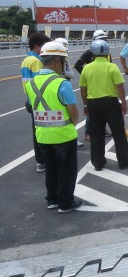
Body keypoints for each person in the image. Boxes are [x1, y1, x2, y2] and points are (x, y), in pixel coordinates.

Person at [24, 41, 83, 213]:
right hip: (63, 135)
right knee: (66, 171)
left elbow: (31, 107)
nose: (65, 64)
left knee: (50, 169)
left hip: (42, 135)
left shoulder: (31, 84)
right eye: (64, 61)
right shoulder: (62, 84)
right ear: (57, 61)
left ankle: (52, 200)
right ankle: (65, 203)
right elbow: (73, 112)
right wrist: (70, 125)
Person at [80, 40, 128, 171]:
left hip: (93, 104)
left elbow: (83, 88)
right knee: (118, 133)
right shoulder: (112, 67)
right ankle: (124, 160)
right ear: (107, 52)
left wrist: (86, 105)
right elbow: (119, 86)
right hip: (110, 103)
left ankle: (98, 163)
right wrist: (123, 102)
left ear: (93, 53)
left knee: (96, 134)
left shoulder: (87, 68)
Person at [74, 30, 113, 141]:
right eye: (102, 39)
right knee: (91, 110)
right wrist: (87, 76)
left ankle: (102, 129)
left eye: (105, 39)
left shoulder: (107, 53)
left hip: (105, 85)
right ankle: (88, 132)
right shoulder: (89, 52)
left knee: (104, 109)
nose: (105, 41)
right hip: (92, 85)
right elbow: (77, 65)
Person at [21, 32, 51, 173]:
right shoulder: (37, 62)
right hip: (38, 102)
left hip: (30, 100)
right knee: (43, 131)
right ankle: (43, 160)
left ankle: (40, 160)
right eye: (44, 46)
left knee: (36, 131)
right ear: (37, 46)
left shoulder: (26, 60)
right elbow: (41, 83)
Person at [54, 38, 84, 148]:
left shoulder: (65, 62)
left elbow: (72, 75)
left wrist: (63, 72)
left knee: (69, 115)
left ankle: (72, 139)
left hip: (64, 89)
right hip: (55, 91)